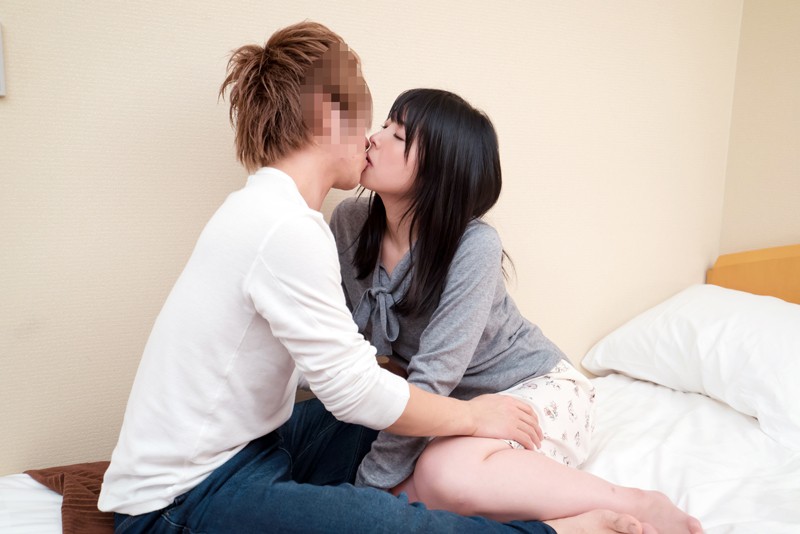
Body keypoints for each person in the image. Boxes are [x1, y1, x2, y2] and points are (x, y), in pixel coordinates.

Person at [96, 21, 646, 534]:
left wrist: (436, 409)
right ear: (328, 115)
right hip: (180, 498)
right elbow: (353, 387)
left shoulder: (272, 212)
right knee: (383, 517)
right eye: (370, 122)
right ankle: (561, 530)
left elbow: (347, 372)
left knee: (402, 426)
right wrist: (469, 417)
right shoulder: (291, 227)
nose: (371, 139)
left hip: (251, 450)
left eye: (392, 132)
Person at [330, 88, 704, 534]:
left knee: (441, 476)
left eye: (398, 135)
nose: (373, 138)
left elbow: (434, 375)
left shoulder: (473, 245)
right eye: (384, 125)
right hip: (459, 410)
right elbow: (343, 344)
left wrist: (365, 491)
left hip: (534, 388)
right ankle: (579, 523)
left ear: (440, 171)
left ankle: (636, 502)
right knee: (416, 492)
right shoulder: (349, 224)